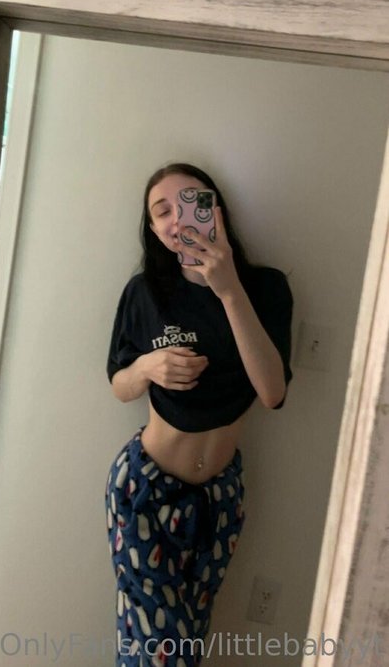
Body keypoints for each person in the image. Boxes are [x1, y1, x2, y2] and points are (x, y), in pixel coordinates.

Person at [104, 163, 294, 666]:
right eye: (162, 210)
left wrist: (228, 289)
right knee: (161, 654)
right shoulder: (145, 292)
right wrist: (147, 366)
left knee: (185, 642)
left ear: (216, 209)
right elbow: (119, 385)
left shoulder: (266, 287)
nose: (177, 218)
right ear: (153, 229)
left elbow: (272, 393)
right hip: (144, 491)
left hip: (219, 498)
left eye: (192, 201)